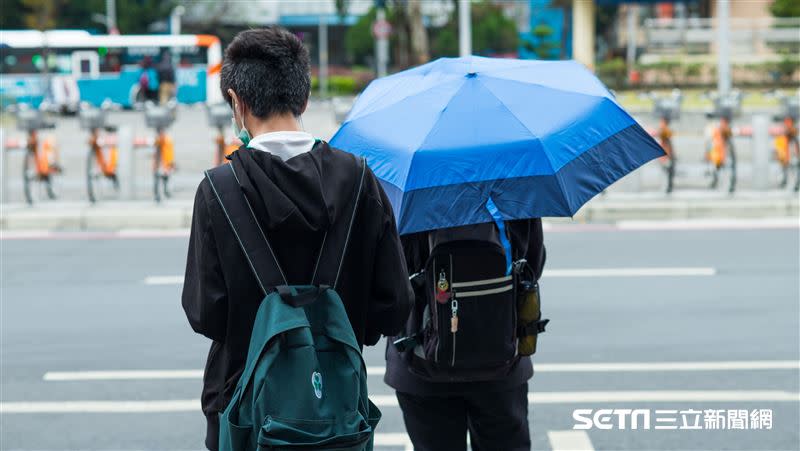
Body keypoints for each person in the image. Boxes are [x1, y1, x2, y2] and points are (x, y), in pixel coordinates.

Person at [181, 27, 413, 451]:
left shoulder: (219, 189)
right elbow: (395, 304)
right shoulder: (360, 179)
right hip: (335, 410)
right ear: (303, 99)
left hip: (242, 405)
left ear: (236, 101)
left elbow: (204, 313)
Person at [386, 219, 546, 451]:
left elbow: (386, 280)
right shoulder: (509, 186)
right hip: (501, 356)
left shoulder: (405, 193)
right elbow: (532, 265)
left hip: (420, 362)